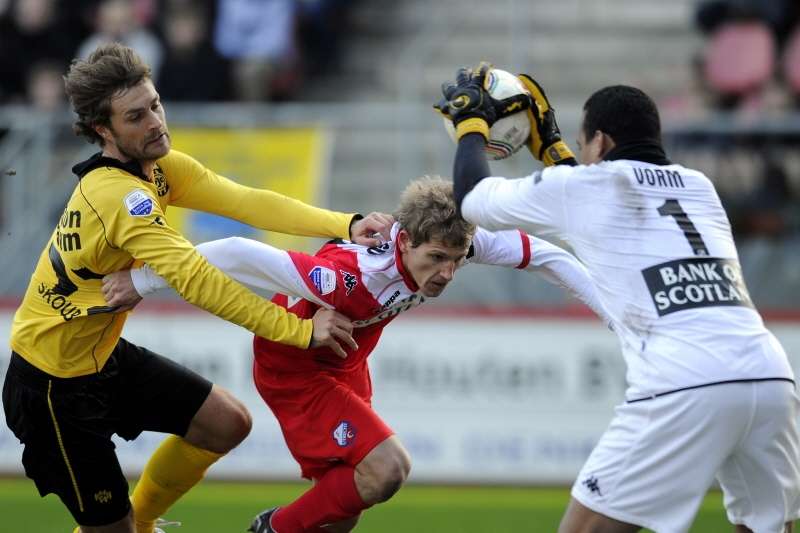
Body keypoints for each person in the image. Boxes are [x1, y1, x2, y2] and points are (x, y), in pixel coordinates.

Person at [2, 42, 392, 533]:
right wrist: (297, 331)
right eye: (136, 117)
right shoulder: (118, 197)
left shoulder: (160, 168)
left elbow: (247, 202)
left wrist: (345, 223)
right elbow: (196, 279)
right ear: (103, 130)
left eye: (155, 105)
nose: (155, 123)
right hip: (52, 387)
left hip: (99, 358)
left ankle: (143, 523)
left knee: (226, 423)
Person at [103, 176, 613, 533]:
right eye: (437, 259)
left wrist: (617, 316)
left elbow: (545, 255)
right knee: (388, 469)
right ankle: (272, 529)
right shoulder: (351, 278)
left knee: (343, 509)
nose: (446, 273)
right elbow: (235, 252)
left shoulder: (452, 240)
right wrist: (143, 281)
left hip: (346, 363)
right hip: (296, 369)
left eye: (457, 261)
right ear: (405, 241)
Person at [438, 64, 800, 533]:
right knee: (765, 526)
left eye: (585, 145)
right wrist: (555, 149)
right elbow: (606, 202)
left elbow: (473, 197)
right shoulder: (699, 187)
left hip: (685, 378)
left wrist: (470, 123)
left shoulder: (583, 188)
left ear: (601, 141)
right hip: (769, 374)